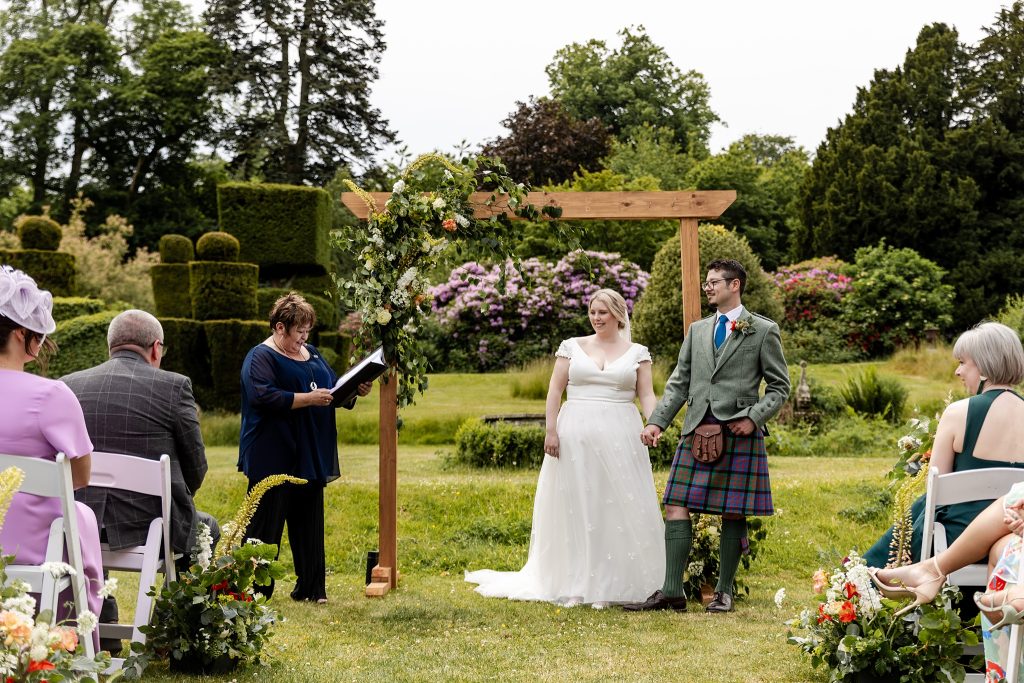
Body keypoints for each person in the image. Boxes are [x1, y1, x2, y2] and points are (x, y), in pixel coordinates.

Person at [465, 288, 666, 607]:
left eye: (602, 312)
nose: (596, 318)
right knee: (577, 504)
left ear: (617, 314)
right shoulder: (571, 348)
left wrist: (654, 423)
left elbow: (647, 395)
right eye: (592, 312)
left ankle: (613, 581)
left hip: (621, 436)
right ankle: (574, 579)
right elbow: (554, 392)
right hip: (575, 434)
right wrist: (551, 431)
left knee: (614, 504)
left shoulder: (637, 352)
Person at [625, 258, 789, 614]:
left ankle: (724, 592)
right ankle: (672, 592)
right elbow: (679, 383)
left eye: (715, 282)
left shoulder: (762, 329)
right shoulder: (697, 331)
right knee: (675, 503)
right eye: (707, 282)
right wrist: (657, 422)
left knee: (733, 510)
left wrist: (753, 418)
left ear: (736, 285)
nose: (709, 287)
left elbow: (779, 388)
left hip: (738, 430)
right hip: (696, 427)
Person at [61, 309, 219, 651]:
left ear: (110, 346)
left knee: (90, 516)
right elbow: (196, 467)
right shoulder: (174, 386)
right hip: (150, 525)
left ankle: (103, 621)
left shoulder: (68, 385)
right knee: (207, 528)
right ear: (156, 348)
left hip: (78, 527)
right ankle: (171, 627)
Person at [237, 292, 371, 603]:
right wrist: (308, 399)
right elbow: (263, 396)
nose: (304, 337)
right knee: (265, 523)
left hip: (309, 449)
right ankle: (253, 591)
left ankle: (311, 589)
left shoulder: (311, 353)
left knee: (308, 521)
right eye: (299, 331)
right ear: (280, 328)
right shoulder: (260, 357)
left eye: (307, 331)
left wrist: (354, 391)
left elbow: (332, 388)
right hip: (273, 450)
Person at [863, 322, 1024, 568]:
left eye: (963, 363)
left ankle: (871, 579)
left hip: (959, 541)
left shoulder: (959, 413)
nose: (958, 372)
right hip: (1015, 533)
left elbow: (936, 493)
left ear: (983, 366)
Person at [0, 266, 104, 625]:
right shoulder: (51, 395)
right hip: (34, 547)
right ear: (19, 334)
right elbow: (80, 475)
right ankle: (69, 636)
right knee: (80, 516)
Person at [870, 489, 1024, 680]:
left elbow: (937, 487)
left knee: (1014, 510)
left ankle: (932, 570)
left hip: (962, 529)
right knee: (1004, 545)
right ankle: (932, 570)